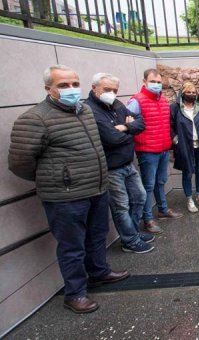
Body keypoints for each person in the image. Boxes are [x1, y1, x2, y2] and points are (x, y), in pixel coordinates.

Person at [8, 65, 129, 313]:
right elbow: (20, 163)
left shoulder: (83, 111)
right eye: (63, 85)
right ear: (48, 89)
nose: (71, 89)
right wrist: (56, 179)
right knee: (72, 247)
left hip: (96, 188)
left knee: (97, 236)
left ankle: (99, 271)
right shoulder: (35, 119)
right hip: (65, 197)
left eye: (74, 84)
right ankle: (75, 294)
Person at [87, 73, 154, 254]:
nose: (111, 93)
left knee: (140, 196)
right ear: (95, 88)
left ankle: (133, 233)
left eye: (114, 90)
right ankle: (130, 241)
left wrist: (125, 127)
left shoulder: (115, 104)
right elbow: (111, 138)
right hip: (111, 168)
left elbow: (141, 123)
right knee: (121, 205)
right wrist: (130, 131)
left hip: (127, 164)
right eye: (107, 89)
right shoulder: (91, 110)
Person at [126, 69, 183, 233]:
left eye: (159, 82)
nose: (157, 85)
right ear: (144, 82)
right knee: (148, 185)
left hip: (163, 149)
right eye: (153, 82)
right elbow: (130, 123)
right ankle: (148, 219)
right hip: (147, 151)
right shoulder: (136, 101)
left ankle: (163, 210)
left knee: (161, 181)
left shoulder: (162, 100)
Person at [170, 82, 199, 212]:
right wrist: (176, 140)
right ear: (182, 93)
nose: (191, 95)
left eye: (194, 92)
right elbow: (171, 127)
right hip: (184, 145)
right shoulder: (175, 108)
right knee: (187, 172)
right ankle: (189, 199)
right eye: (188, 92)